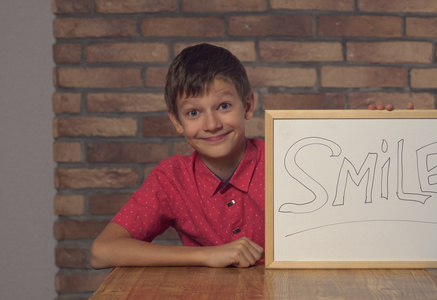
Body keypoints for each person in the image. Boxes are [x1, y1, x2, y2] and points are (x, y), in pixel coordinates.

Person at [90, 43, 412, 269]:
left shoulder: (289, 157)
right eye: (193, 112)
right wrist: (208, 256)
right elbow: (102, 252)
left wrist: (381, 137)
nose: (212, 123)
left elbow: (363, 195)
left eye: (224, 106)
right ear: (176, 121)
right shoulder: (171, 178)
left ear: (248, 105)